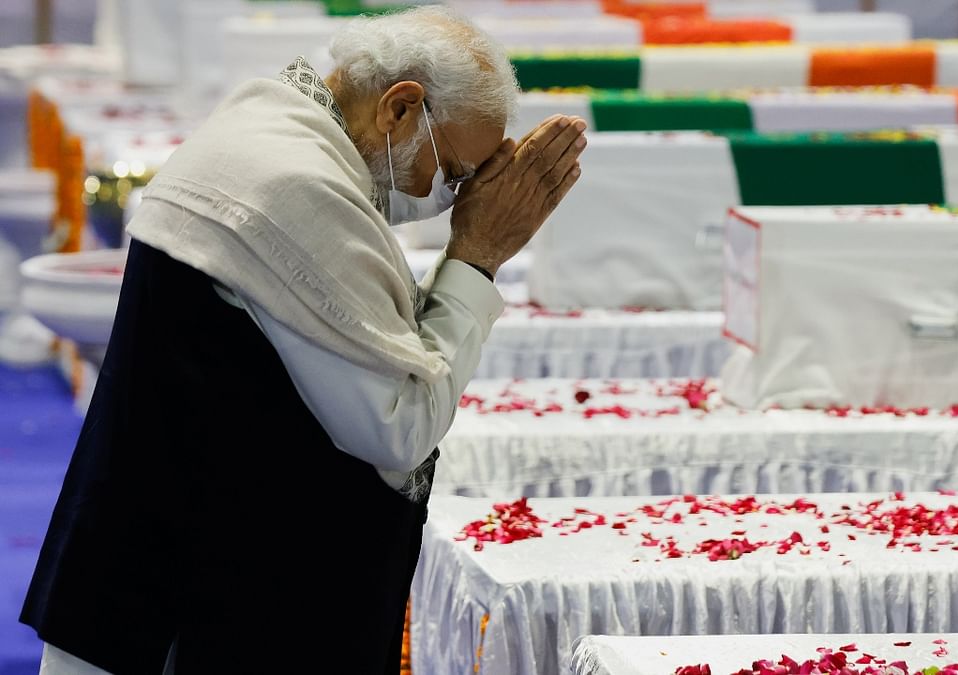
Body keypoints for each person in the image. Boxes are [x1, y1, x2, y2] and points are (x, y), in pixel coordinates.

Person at [20, 7, 587, 674]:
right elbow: (400, 426)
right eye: (456, 171)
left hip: (151, 575)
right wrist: (476, 257)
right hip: (187, 613)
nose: (455, 197)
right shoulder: (299, 188)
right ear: (400, 110)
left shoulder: (264, 121)